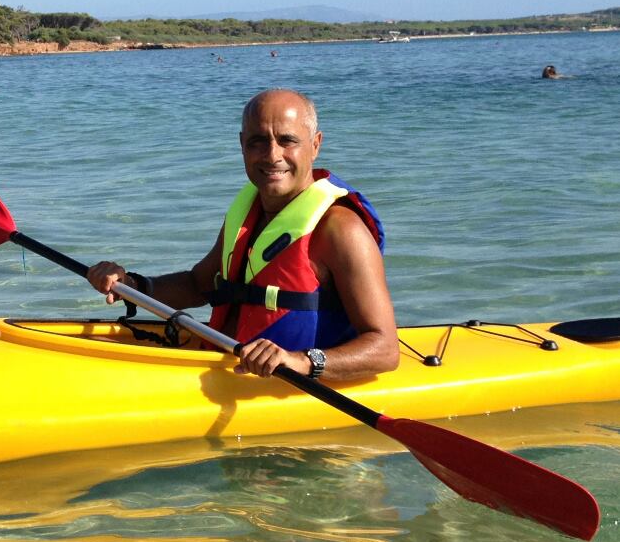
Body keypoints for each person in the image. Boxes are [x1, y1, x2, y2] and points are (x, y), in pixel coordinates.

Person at [88, 89, 399, 382]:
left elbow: (385, 350)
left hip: (286, 387)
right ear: (242, 145)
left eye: (287, 140)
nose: (272, 155)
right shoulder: (249, 212)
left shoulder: (341, 229)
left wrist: (301, 361)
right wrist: (133, 286)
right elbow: (198, 284)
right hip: (226, 369)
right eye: (257, 141)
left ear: (315, 145)